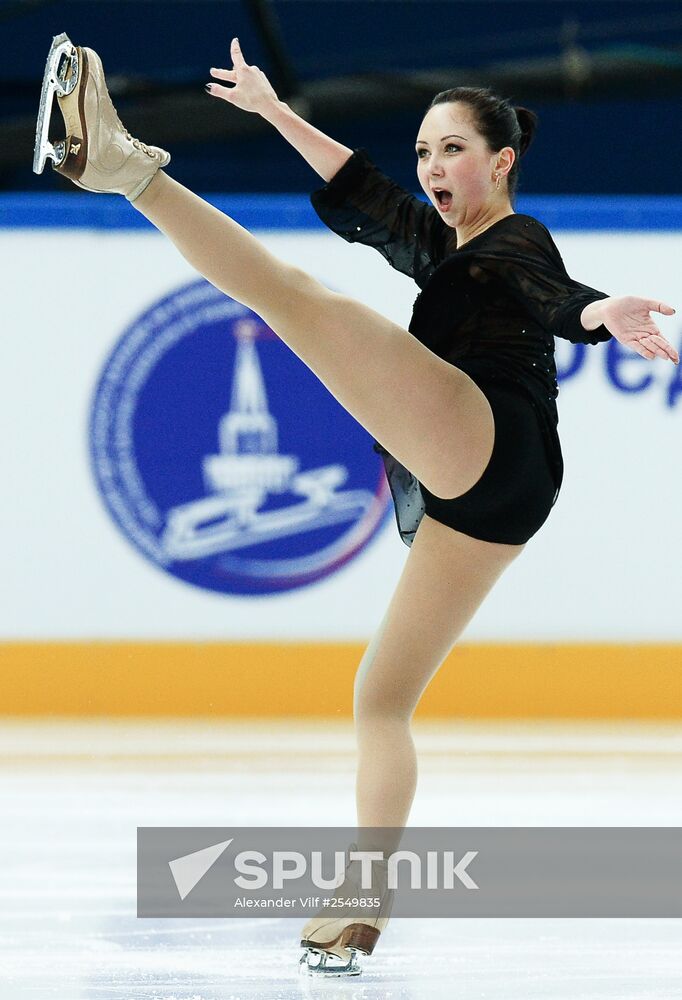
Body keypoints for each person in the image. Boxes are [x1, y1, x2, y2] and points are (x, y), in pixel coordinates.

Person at [35, 33, 679, 978]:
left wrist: (599, 313)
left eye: (451, 149)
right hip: (495, 499)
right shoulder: (443, 246)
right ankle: (364, 900)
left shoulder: (516, 240)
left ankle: (126, 168)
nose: (431, 167)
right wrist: (273, 112)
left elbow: (556, 296)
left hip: (489, 438)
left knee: (291, 298)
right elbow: (367, 197)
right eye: (424, 151)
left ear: (501, 162)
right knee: (380, 697)